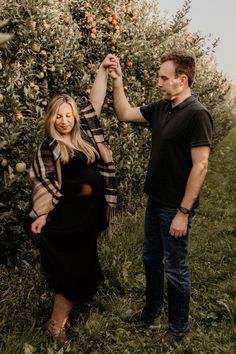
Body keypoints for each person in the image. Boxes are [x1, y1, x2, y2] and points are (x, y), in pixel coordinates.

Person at [109, 51, 213, 347]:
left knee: (175, 265)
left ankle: (179, 328)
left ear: (182, 80)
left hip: (174, 207)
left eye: (164, 78)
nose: (159, 82)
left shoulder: (197, 115)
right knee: (151, 258)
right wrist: (117, 81)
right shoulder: (161, 108)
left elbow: (200, 166)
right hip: (155, 201)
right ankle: (152, 313)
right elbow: (124, 113)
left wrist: (183, 211)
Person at [29, 54, 118, 344]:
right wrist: (41, 214)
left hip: (89, 219)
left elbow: (95, 102)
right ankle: (56, 325)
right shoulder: (50, 146)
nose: (64, 120)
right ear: (51, 117)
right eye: (59, 115)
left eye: (69, 115)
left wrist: (102, 70)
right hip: (70, 220)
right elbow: (43, 181)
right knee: (71, 270)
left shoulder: (83, 137)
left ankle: (59, 321)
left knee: (82, 268)